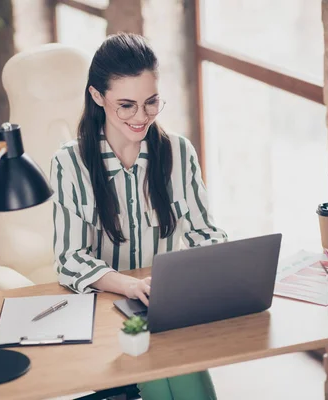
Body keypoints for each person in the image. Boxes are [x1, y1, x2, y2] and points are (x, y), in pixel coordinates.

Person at [50, 32, 227, 400]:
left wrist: (205, 269)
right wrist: (130, 286)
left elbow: (205, 234)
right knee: (161, 376)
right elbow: (69, 260)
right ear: (97, 97)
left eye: (151, 102)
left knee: (181, 376)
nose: (141, 117)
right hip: (104, 311)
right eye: (126, 105)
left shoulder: (179, 152)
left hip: (168, 309)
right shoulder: (70, 162)